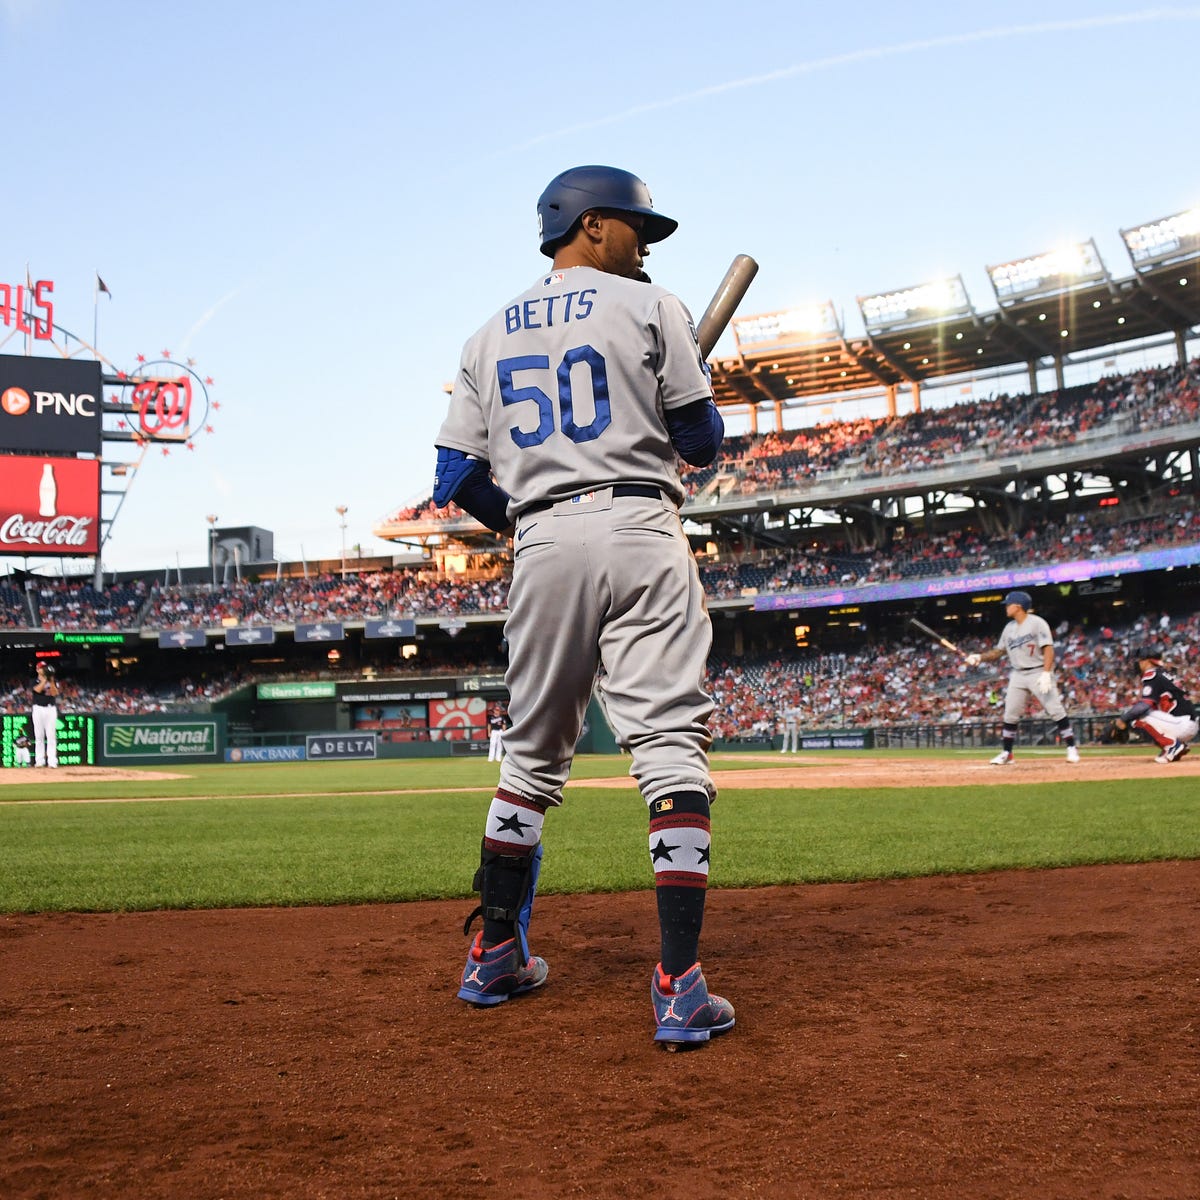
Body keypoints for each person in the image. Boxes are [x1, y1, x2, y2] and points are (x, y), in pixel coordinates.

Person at [433, 164, 734, 1048]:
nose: (645, 244)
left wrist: (529, 519)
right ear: (593, 226)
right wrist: (669, 415)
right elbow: (700, 442)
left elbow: (456, 480)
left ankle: (493, 953)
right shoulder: (653, 307)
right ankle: (679, 986)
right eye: (638, 227)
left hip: (542, 542)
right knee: (670, 741)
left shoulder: (486, 333)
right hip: (642, 524)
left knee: (529, 756)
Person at [965, 590, 1080, 765]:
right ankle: (1007, 753)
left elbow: (1048, 648)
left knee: (1055, 709)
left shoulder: (1037, 623)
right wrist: (979, 657)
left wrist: (1046, 673)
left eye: (1008, 604)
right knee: (1010, 714)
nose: (1006, 607)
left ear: (1018, 606)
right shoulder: (1009, 628)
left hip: (1038, 670)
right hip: (1018, 673)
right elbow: (999, 651)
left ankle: (1071, 748)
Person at [1111, 645, 1196, 763]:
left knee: (1136, 716)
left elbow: (1145, 704)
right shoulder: (1165, 674)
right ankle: (1178, 745)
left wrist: (1123, 719)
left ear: (1147, 661)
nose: (1137, 663)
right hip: (1187, 724)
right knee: (1145, 715)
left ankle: (1172, 745)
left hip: (1181, 724)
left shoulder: (1152, 674)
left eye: (1140, 660)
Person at [31, 661, 60, 769]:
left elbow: (55, 693)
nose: (44, 669)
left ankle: (52, 761)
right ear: (38, 670)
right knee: (39, 736)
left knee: (51, 735)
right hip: (38, 708)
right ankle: (39, 761)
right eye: (42, 668)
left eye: (45, 667)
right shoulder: (34, 680)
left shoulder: (53, 680)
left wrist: (51, 681)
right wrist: (44, 680)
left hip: (50, 708)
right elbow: (37, 690)